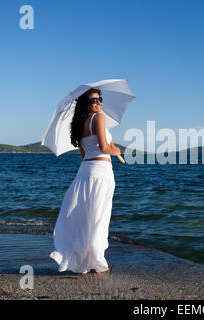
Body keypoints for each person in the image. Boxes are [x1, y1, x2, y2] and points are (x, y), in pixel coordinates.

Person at [49, 88, 121, 274]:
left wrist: (107, 147)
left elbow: (85, 153)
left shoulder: (79, 124)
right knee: (98, 216)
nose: (98, 103)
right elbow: (104, 147)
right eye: (93, 100)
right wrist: (115, 150)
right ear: (86, 104)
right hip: (101, 171)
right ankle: (97, 262)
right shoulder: (99, 118)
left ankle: (85, 260)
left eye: (100, 99)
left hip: (85, 171)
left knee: (85, 215)